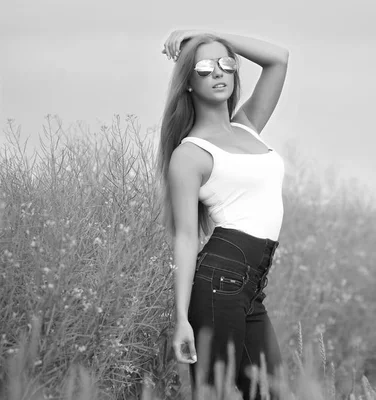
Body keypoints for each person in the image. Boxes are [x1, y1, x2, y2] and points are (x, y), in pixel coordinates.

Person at [156, 29, 289, 399]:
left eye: (226, 64)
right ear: (187, 82)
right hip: (219, 282)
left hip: (250, 287)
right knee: (211, 393)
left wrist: (207, 33)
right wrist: (181, 319)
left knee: (270, 392)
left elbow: (278, 57)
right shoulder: (190, 154)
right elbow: (184, 237)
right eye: (204, 67)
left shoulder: (248, 127)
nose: (217, 72)